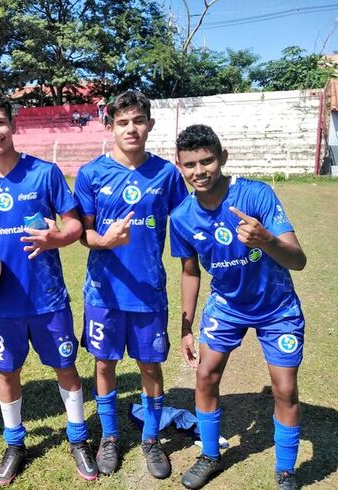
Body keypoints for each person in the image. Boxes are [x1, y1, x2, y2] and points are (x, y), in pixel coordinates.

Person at [0, 89, 98, 485]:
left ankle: (78, 438)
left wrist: (57, 238)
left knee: (65, 367)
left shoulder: (45, 173)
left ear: (13, 124)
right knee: (7, 374)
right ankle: (15, 443)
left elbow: (74, 225)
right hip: (3, 304)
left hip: (47, 298)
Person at [170, 124, 306, 490]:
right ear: (179, 166)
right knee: (206, 376)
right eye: (190, 164)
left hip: (277, 308)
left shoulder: (257, 195)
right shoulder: (181, 217)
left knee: (285, 389)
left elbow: (298, 261)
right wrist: (186, 326)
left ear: (222, 157)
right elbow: (189, 272)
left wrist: (266, 239)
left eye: (207, 161)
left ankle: (285, 470)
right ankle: (210, 454)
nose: (199, 171)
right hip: (226, 306)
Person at [74, 90, 188, 478]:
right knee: (104, 362)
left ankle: (152, 438)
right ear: (110, 127)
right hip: (103, 292)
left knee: (150, 366)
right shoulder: (91, 173)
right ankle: (109, 436)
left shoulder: (167, 174)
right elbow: (82, 233)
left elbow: (188, 224)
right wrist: (104, 241)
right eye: (122, 122)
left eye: (138, 120)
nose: (131, 128)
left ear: (150, 124)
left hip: (148, 292)